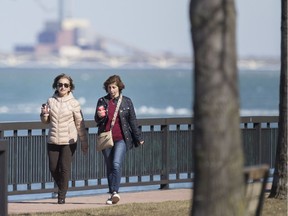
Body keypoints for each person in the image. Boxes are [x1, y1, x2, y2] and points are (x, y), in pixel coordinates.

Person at [94, 75, 144, 205]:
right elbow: (97, 120)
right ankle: (112, 194)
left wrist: (138, 137)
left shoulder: (127, 101)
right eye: (109, 87)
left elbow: (132, 120)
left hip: (122, 138)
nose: (111, 90)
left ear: (119, 87)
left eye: (114, 87)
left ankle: (115, 191)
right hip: (106, 139)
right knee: (110, 166)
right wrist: (99, 116)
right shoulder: (102, 101)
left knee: (116, 164)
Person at [40, 73, 88, 204]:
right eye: (60, 84)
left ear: (70, 88)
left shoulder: (74, 103)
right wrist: (44, 114)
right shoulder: (50, 101)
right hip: (53, 139)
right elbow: (45, 121)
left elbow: (80, 123)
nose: (62, 87)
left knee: (64, 168)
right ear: (56, 85)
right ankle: (63, 187)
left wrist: (84, 142)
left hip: (69, 140)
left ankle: (61, 196)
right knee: (53, 168)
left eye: (65, 85)